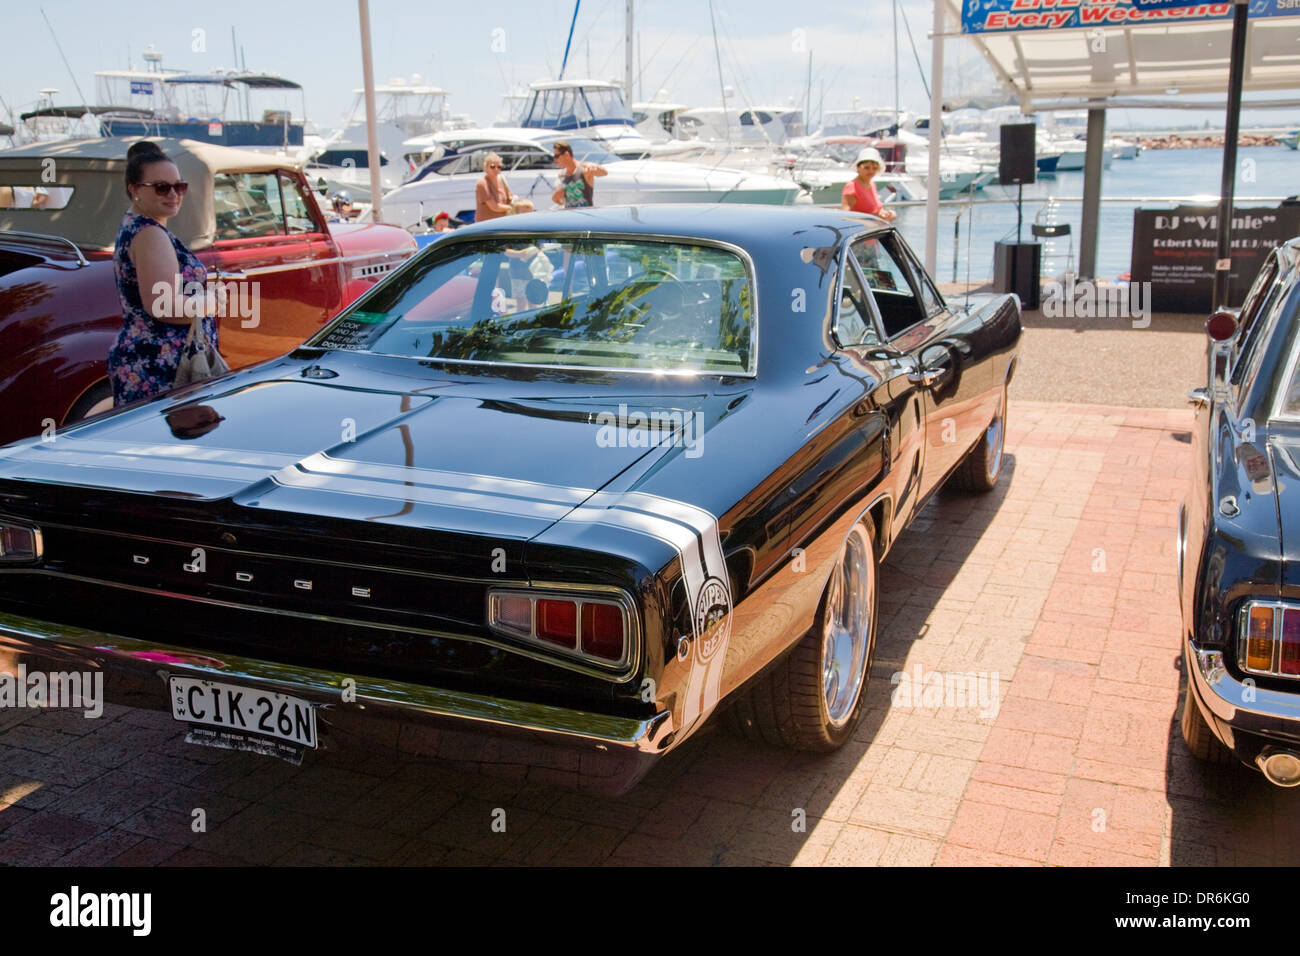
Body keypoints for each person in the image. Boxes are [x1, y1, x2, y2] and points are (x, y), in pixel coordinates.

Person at [107, 141, 225, 406]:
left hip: (151, 362)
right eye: (162, 187)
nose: (173, 194)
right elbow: (165, 306)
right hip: (162, 370)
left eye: (179, 186)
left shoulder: (135, 225)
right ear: (134, 190)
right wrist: (212, 302)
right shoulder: (150, 234)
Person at [840, 146, 897, 222]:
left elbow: (876, 210)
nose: (871, 171)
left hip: (875, 228)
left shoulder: (872, 184)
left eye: (874, 168)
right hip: (862, 230)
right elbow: (846, 216)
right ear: (858, 168)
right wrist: (875, 216)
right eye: (867, 168)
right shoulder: (852, 187)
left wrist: (887, 214)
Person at [551, 140, 607, 208]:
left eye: (556, 156)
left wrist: (594, 168)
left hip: (586, 215)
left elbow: (604, 172)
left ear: (566, 154)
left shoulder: (584, 169)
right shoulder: (562, 175)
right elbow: (557, 199)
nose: (555, 160)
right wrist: (557, 198)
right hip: (570, 215)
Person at [475, 152, 514, 221]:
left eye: (499, 167)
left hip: (502, 222)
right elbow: (494, 207)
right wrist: (512, 208)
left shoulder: (502, 181)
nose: (496, 169)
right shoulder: (482, 183)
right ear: (486, 168)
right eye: (492, 167)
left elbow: (510, 198)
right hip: (486, 225)